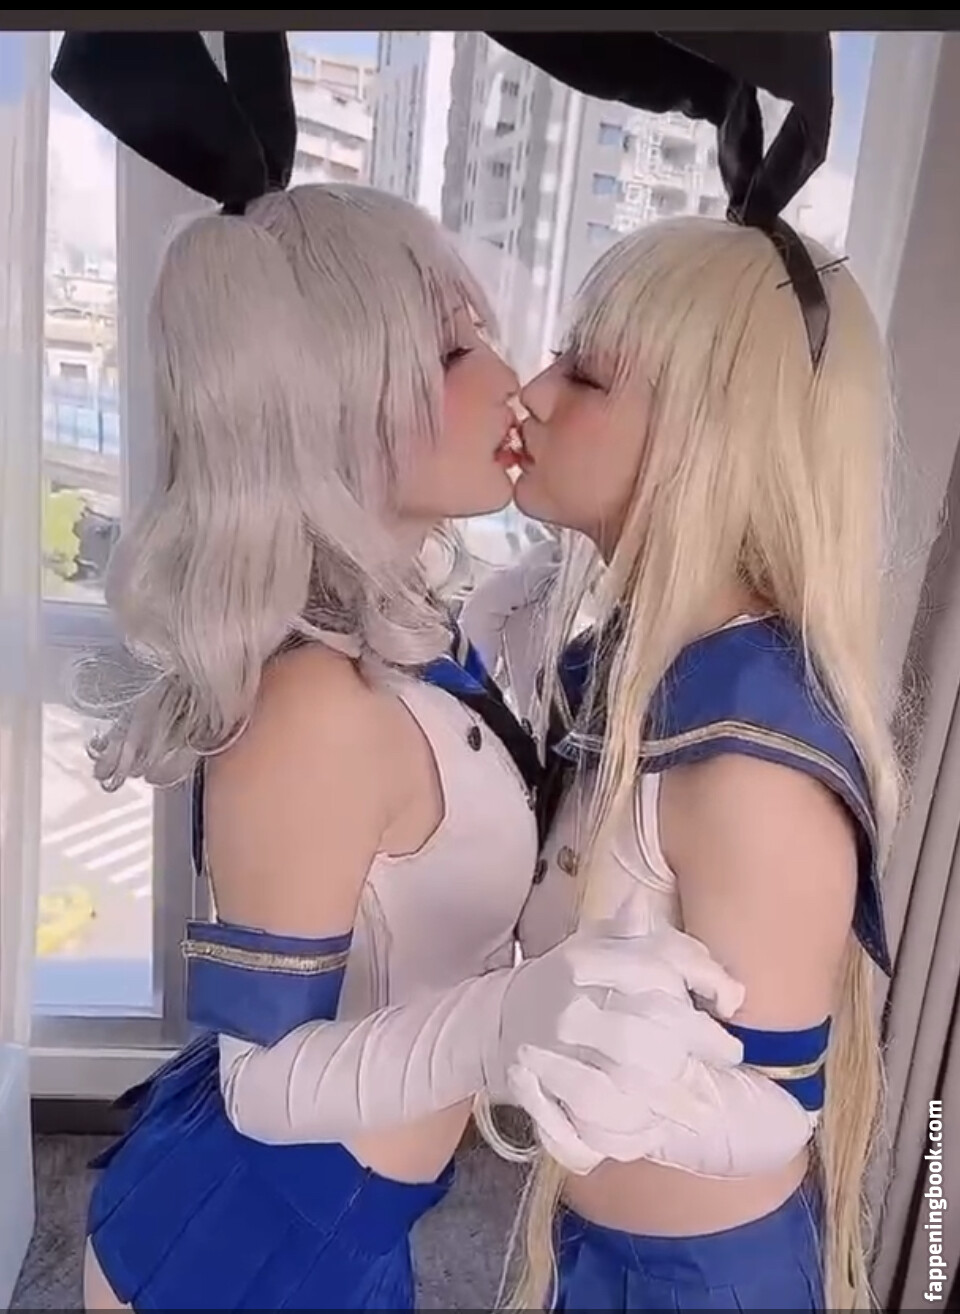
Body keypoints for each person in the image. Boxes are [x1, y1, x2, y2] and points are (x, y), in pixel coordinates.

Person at [56, 32, 750, 1313]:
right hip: (250, 1246)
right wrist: (501, 1022)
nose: (509, 379)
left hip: (359, 1222)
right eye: (450, 354)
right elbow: (264, 1083)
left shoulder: (425, 624)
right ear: (336, 410)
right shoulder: (312, 709)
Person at [466, 204, 899, 1311]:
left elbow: (777, 1106)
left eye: (587, 375)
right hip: (597, 1245)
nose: (533, 393)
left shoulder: (752, 765)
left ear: (708, 437)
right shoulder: (623, 665)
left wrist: (527, 1051)